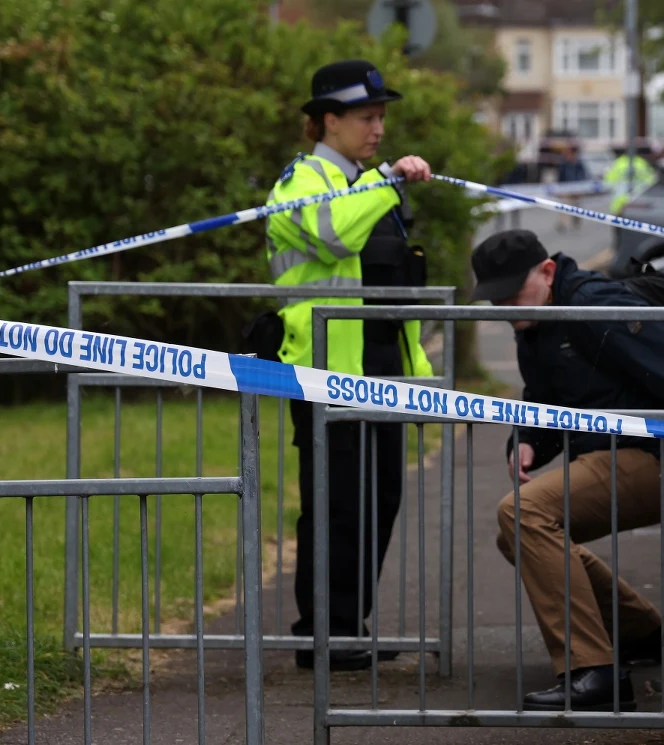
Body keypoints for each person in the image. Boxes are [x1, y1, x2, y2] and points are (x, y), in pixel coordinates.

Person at [469, 229, 664, 712]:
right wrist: (524, 440)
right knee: (517, 533)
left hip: (658, 457)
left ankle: (594, 671)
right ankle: (645, 633)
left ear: (547, 272)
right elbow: (544, 397)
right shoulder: (538, 319)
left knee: (524, 513)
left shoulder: (594, 305)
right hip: (610, 456)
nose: (504, 306)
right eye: (495, 297)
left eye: (510, 292)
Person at [263, 59, 435, 671]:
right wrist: (386, 181)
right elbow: (331, 235)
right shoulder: (301, 182)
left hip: (377, 362)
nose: (378, 128)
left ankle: (348, 624)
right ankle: (323, 631)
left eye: (383, 117)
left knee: (379, 496)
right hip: (325, 366)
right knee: (337, 499)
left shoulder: (368, 182)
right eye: (366, 116)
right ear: (327, 121)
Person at [604, 146, 657, 215]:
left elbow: (608, 179)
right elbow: (651, 179)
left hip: (619, 201)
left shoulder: (619, 162)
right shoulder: (641, 162)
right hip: (638, 199)